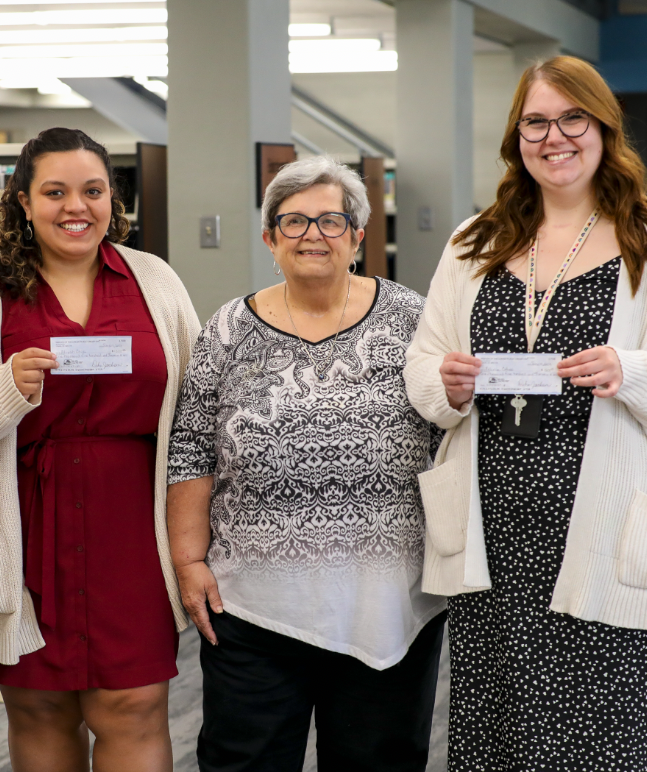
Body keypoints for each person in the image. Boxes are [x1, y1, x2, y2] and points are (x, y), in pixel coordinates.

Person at [403, 55, 647, 770]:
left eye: (570, 118)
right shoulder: (474, 244)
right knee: (504, 727)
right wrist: (449, 383)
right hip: (497, 535)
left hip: (609, 526)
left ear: (602, 127)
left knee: (614, 731)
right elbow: (422, 363)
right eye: (534, 121)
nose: (552, 137)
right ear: (514, 135)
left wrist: (632, 369)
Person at [0, 127, 200, 772]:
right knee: (39, 707)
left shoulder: (153, 281)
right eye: (55, 192)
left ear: (113, 199)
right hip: (23, 523)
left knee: (134, 704)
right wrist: (4, 388)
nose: (76, 207)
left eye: (92, 191)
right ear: (23, 201)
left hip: (133, 524)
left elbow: (198, 403)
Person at [167, 156, 447, 772]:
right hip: (253, 605)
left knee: (380, 760)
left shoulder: (414, 320)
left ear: (357, 236)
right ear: (270, 239)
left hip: (388, 597)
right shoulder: (227, 331)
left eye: (331, 220)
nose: (312, 235)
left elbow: (450, 427)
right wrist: (188, 561)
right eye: (292, 222)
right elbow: (190, 448)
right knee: (245, 760)